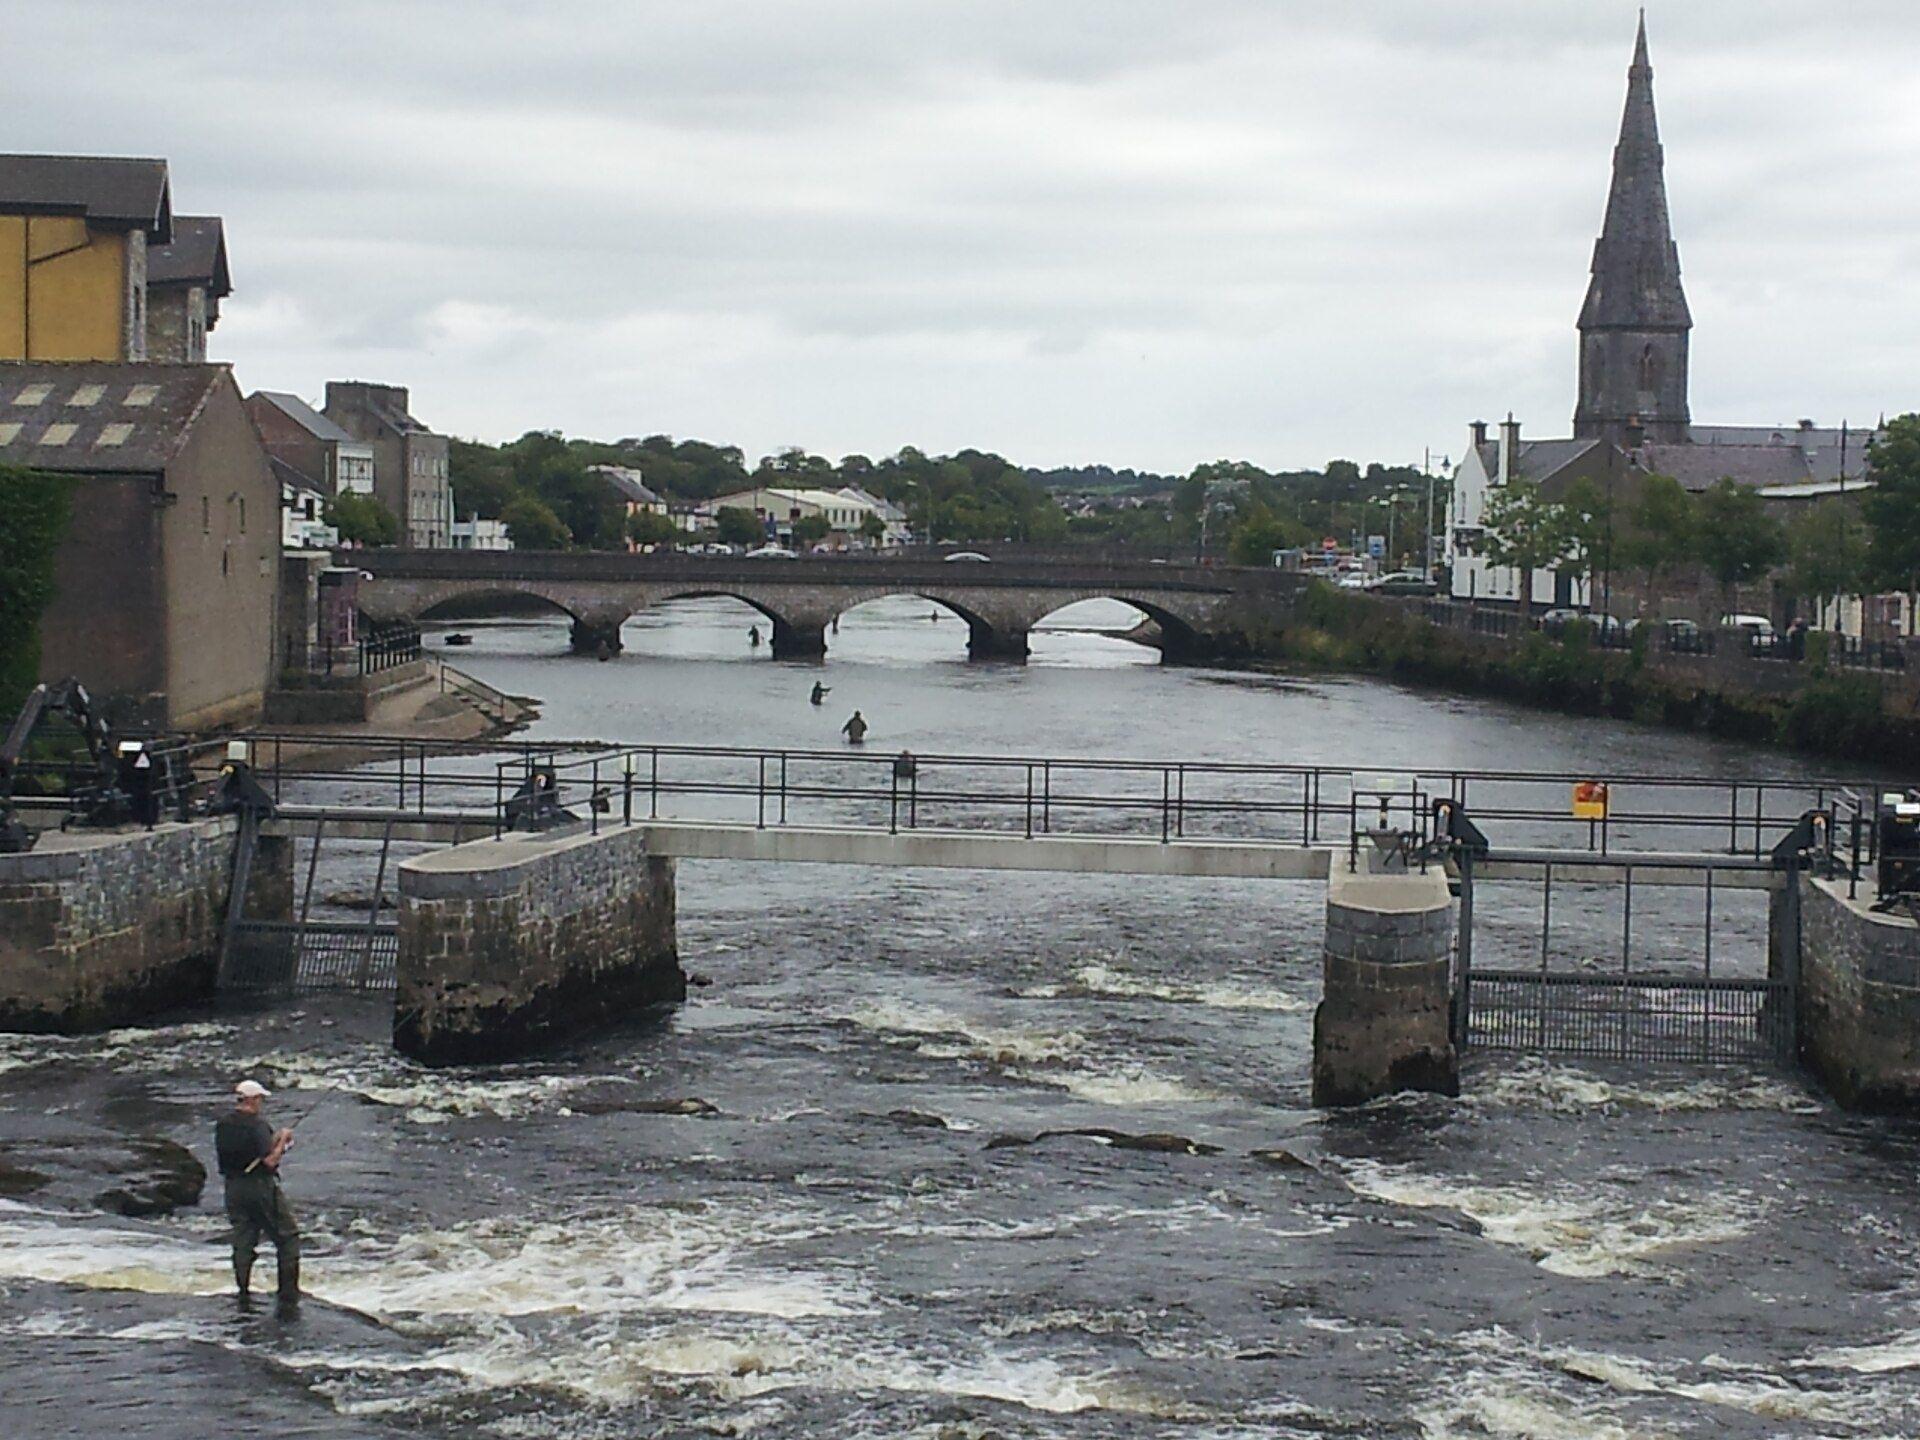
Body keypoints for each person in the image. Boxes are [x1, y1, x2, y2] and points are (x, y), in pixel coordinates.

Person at [214, 1079, 300, 1306]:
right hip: (259, 1187)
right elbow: (270, 1161)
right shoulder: (257, 1125)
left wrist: (276, 1138)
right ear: (252, 1100)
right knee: (287, 1237)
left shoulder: (223, 1124)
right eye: (260, 1099)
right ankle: (288, 1293)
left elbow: (250, 1151)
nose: (261, 1103)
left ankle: (243, 1290)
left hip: (233, 1188)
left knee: (243, 1238)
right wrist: (282, 1142)